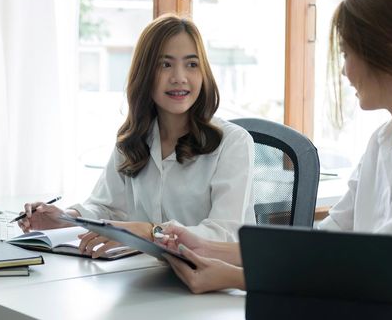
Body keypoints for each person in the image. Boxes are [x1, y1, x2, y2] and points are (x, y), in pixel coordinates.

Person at [155, 0, 392, 314]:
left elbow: (372, 270)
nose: (345, 72)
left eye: (347, 53)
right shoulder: (384, 141)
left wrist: (235, 277)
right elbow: (327, 243)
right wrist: (207, 247)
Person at [17, 14, 256, 257]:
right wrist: (67, 218)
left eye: (192, 64)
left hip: (212, 285)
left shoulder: (234, 143)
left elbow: (224, 234)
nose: (179, 77)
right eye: (165, 64)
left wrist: (150, 232)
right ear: (145, 73)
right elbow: (106, 207)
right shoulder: (134, 140)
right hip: (146, 276)